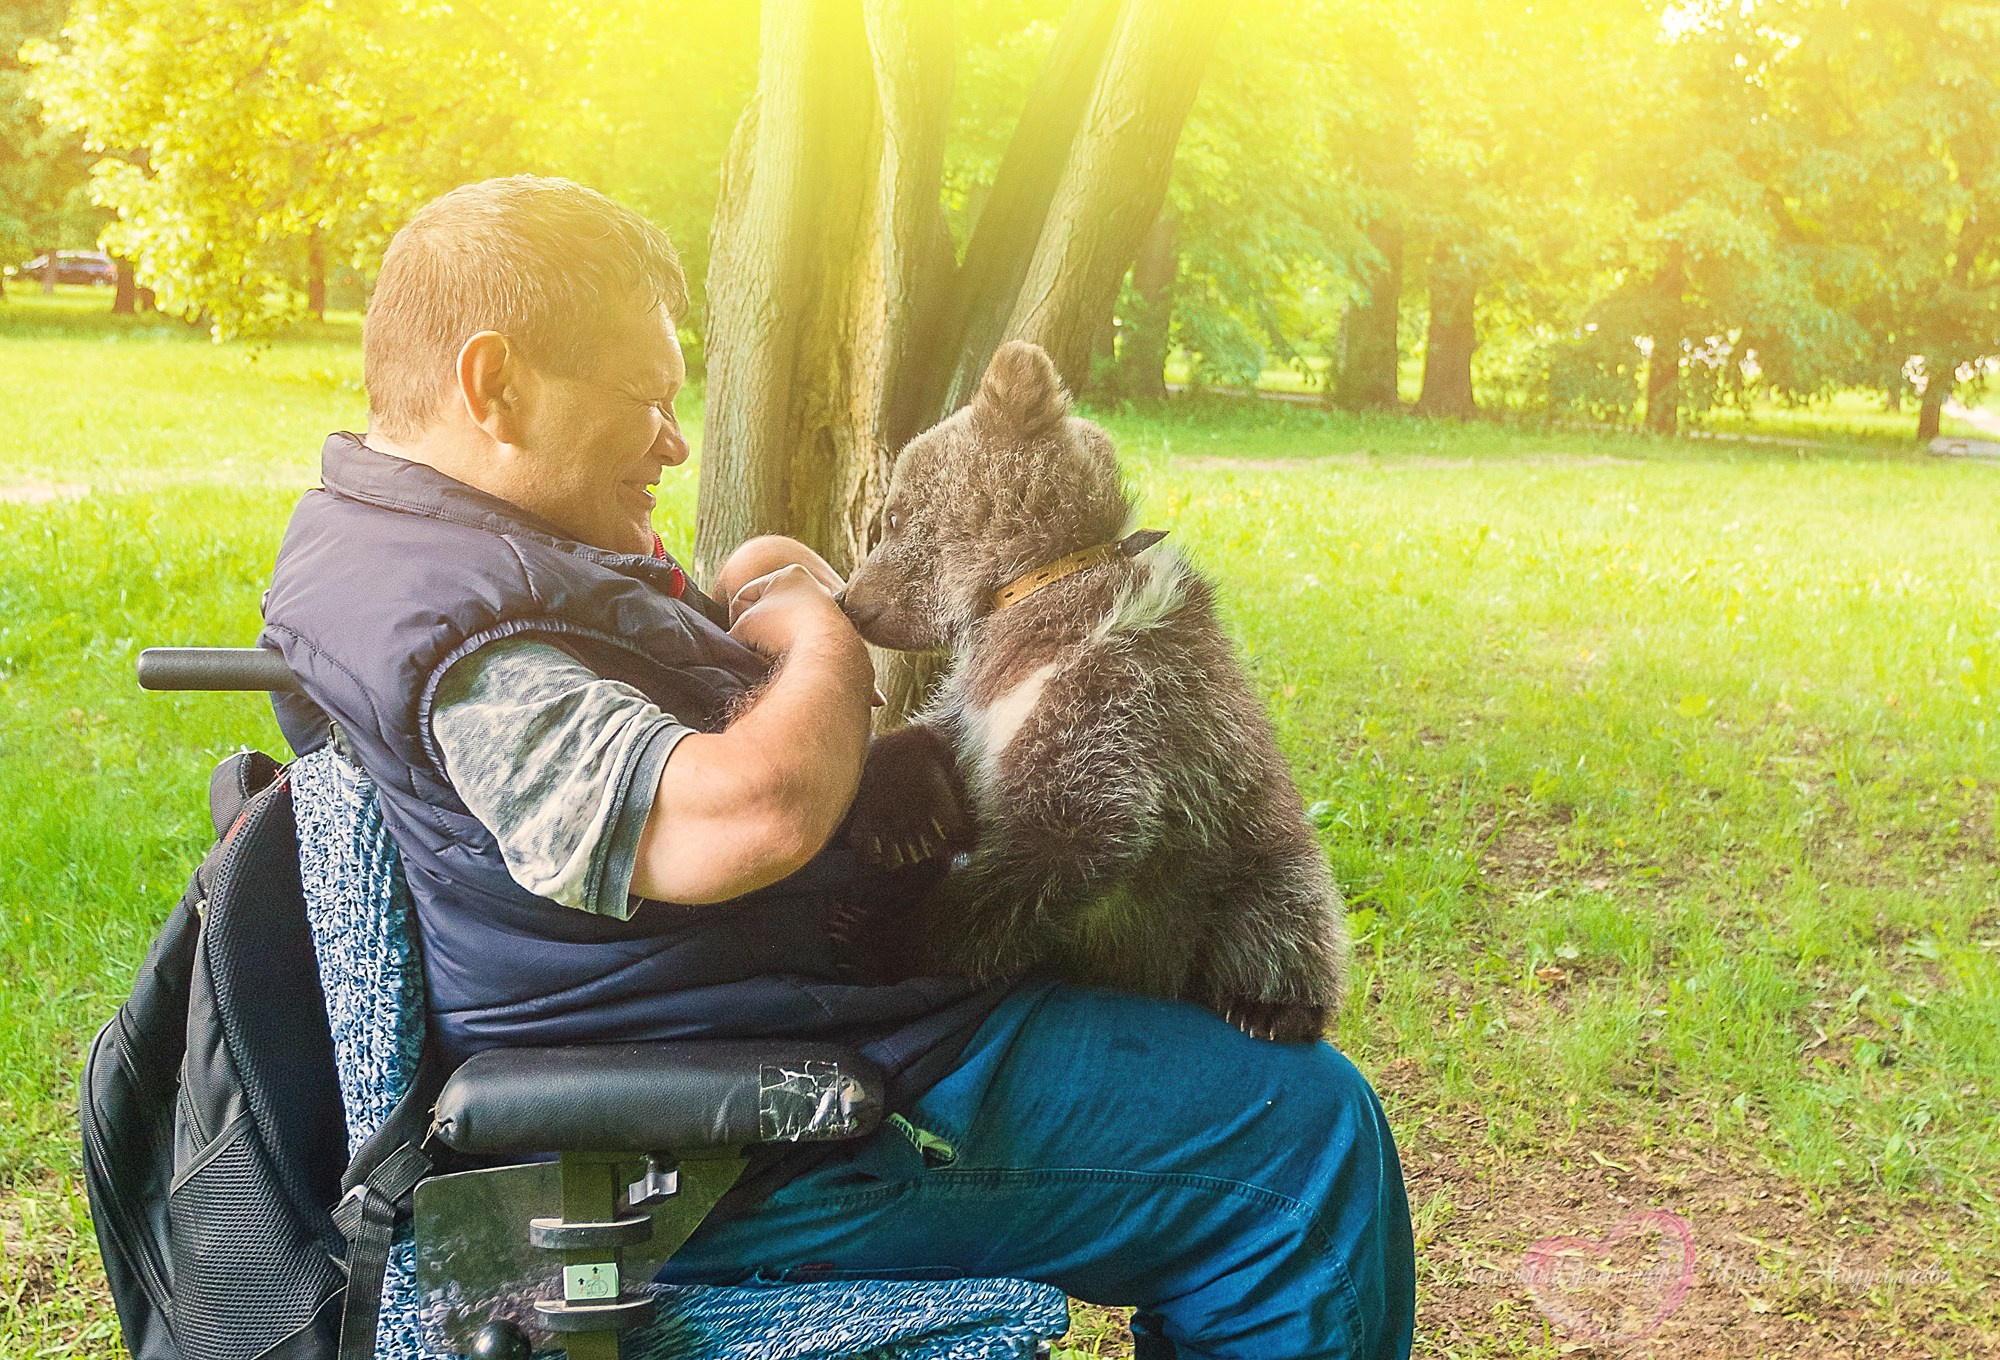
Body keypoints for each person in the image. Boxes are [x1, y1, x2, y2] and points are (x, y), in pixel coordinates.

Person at [259, 175, 1415, 1360]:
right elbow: (749, 815)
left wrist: (733, 605)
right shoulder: (461, 635)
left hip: (779, 1023)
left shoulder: (433, 554)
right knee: (1301, 1146)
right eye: (644, 400)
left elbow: (624, 735)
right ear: (493, 384)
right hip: (750, 1129)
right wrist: (825, 634)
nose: (671, 439)